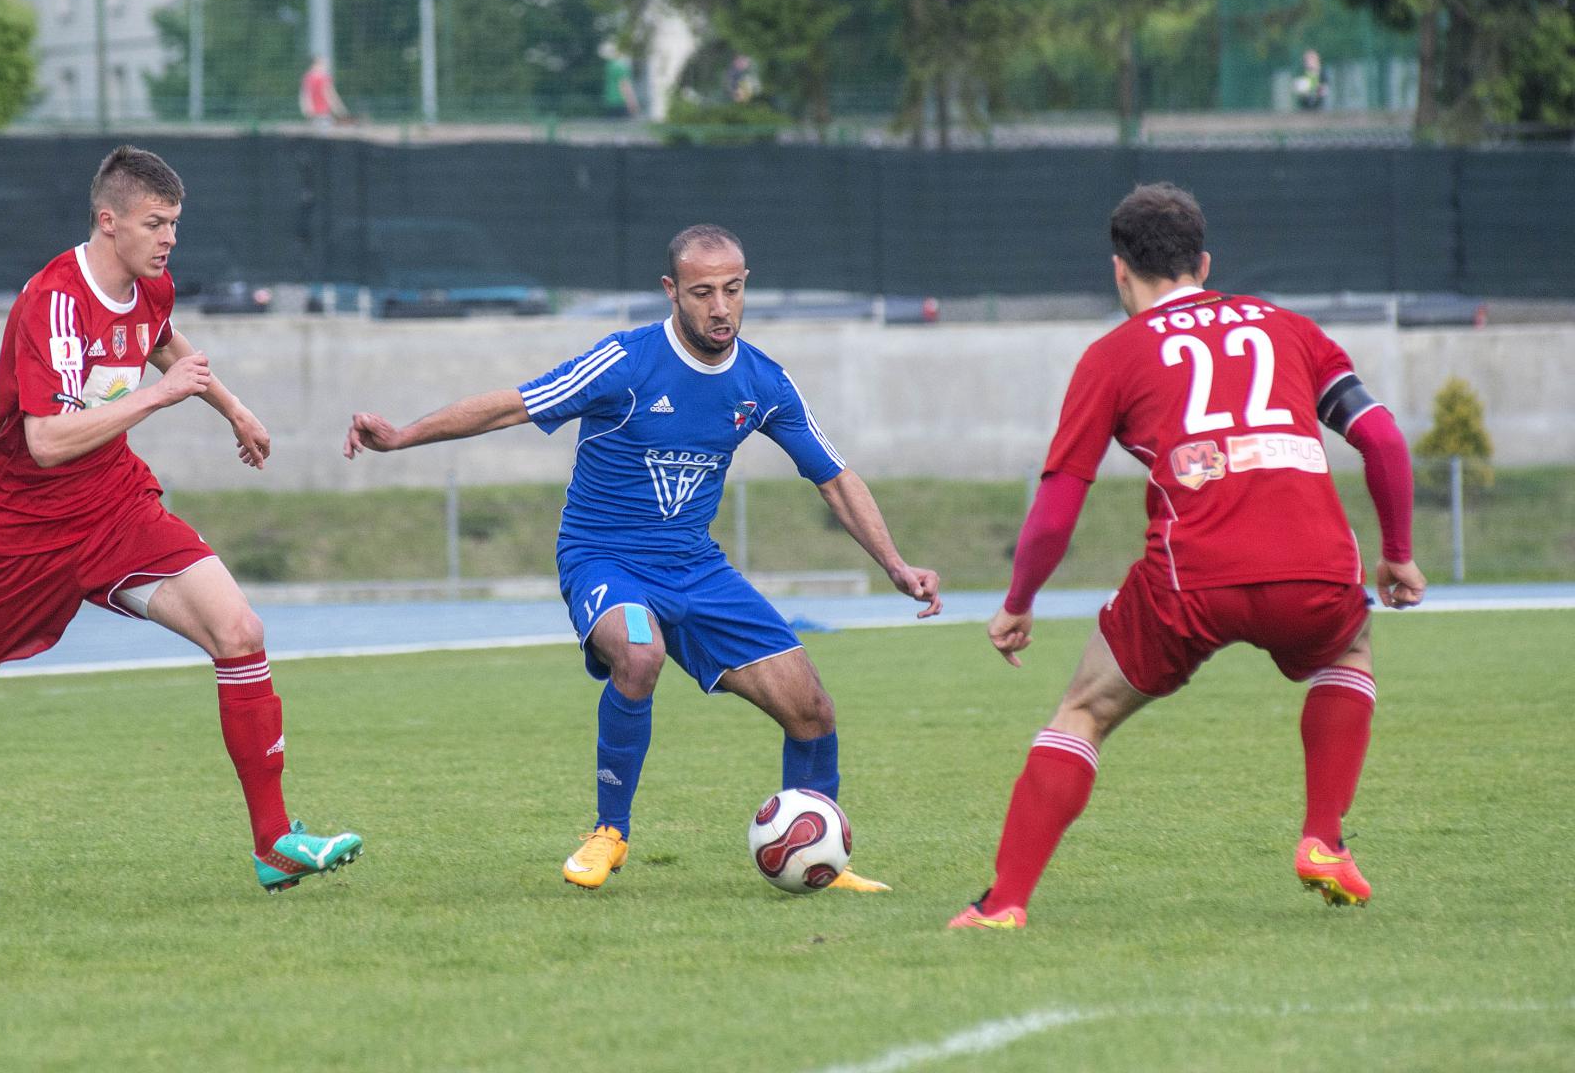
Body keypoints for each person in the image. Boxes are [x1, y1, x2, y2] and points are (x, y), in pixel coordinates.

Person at [0, 146, 362, 910]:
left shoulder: (149, 285)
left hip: (116, 508)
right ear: (108, 221)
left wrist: (234, 408)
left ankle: (273, 844)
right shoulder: (54, 301)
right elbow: (46, 441)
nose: (169, 239)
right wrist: (159, 399)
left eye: (175, 224)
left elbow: (163, 342)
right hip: (21, 534)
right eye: (155, 223)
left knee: (239, 631)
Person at [344, 224, 942, 892]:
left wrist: (896, 565)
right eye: (703, 292)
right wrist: (402, 437)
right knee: (639, 651)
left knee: (811, 710)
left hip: (697, 569)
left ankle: (820, 858)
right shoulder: (625, 362)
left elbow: (833, 477)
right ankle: (610, 832)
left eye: (733, 290)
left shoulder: (763, 381)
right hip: (605, 562)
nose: (721, 307)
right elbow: (511, 407)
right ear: (672, 291)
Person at [948, 183, 1424, 930]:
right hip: (1314, 566)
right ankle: (1323, 840)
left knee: (1085, 710)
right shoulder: (1290, 329)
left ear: (1120, 271)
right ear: (1204, 263)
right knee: (1350, 650)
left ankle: (1004, 904)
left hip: (1190, 578)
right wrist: (1397, 555)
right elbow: (1384, 439)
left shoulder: (1112, 356)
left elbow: (1059, 501)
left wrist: (1018, 602)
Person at [300, 56, 349, 124]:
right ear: (318, 64)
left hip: (313, 114)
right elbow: (330, 95)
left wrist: (307, 109)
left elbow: (305, 95)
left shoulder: (308, 77)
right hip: (323, 112)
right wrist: (339, 110)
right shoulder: (323, 78)